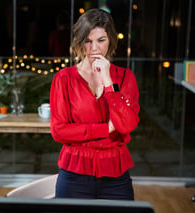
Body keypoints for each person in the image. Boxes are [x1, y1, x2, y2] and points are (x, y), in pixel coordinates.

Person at [50, 8, 140, 200]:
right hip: (74, 174)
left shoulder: (125, 77)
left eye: (101, 40)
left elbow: (127, 125)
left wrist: (108, 82)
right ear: (79, 42)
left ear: (111, 41)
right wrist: (106, 129)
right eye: (87, 41)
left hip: (115, 174)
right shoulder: (64, 79)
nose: (94, 49)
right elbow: (59, 131)